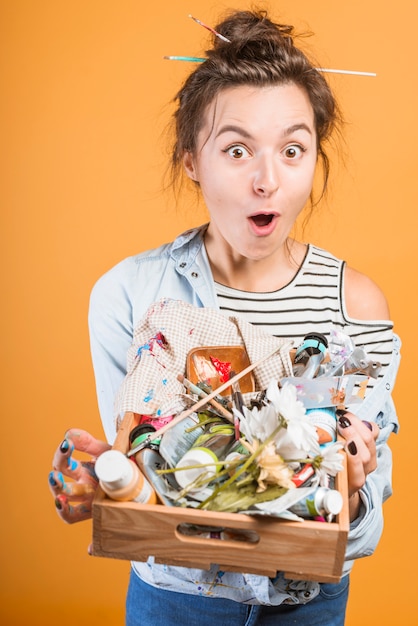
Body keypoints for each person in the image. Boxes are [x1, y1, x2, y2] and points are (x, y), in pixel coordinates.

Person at [48, 9, 400, 626]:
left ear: (315, 158)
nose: (267, 180)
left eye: (293, 149)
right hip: (176, 597)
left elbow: (361, 526)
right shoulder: (131, 296)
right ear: (191, 160)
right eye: (237, 149)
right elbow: (144, 473)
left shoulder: (356, 308)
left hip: (306, 603)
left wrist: (350, 485)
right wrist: (105, 485)